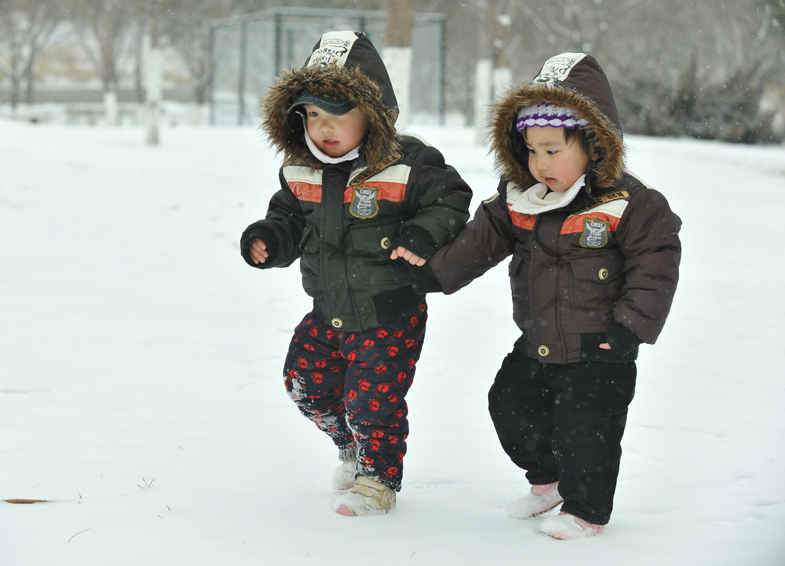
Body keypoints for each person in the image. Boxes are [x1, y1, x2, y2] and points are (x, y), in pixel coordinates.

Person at [429, 53, 681, 539]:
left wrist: (629, 326)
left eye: (552, 150)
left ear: (593, 145)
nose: (539, 164)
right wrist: (430, 276)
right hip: (539, 340)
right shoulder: (522, 200)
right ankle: (548, 483)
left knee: (587, 432)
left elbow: (656, 263)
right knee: (509, 405)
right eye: (532, 151)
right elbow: (479, 243)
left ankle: (587, 512)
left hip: (600, 348)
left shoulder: (627, 204)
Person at [240, 31, 472, 517]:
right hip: (328, 310)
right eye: (313, 114)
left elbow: (451, 198)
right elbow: (287, 218)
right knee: (304, 382)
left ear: (373, 113)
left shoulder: (407, 164)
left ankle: (378, 480)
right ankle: (351, 445)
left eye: (338, 113)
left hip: (390, 313)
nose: (324, 127)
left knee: (374, 403)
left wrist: (422, 233)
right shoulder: (300, 169)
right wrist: (269, 238)